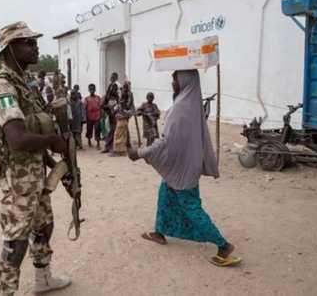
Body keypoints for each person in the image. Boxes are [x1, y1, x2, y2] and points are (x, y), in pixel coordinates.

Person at [0, 21, 71, 296]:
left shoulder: (25, 85)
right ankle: (5, 292)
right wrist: (53, 142)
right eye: (28, 43)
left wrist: (52, 161)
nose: (35, 47)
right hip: (19, 178)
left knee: (44, 225)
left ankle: (43, 279)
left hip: (34, 174)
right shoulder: (3, 87)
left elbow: (33, 128)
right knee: (16, 238)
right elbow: (17, 138)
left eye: (35, 42)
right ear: (10, 49)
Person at [127, 70, 241, 267]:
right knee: (165, 195)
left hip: (182, 168)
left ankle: (223, 246)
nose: (172, 83)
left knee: (191, 207)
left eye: (175, 79)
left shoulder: (180, 108)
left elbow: (167, 143)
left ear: (185, 81)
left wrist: (141, 153)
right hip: (186, 164)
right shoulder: (193, 104)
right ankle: (159, 232)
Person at [112, 81, 133, 156]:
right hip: (122, 117)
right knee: (122, 134)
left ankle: (119, 151)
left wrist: (120, 113)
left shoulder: (125, 99)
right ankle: (122, 150)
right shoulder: (124, 98)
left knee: (119, 134)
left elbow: (126, 108)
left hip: (122, 118)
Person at [101, 73, 120, 153]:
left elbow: (118, 101)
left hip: (115, 113)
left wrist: (112, 108)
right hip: (109, 113)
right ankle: (108, 146)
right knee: (109, 129)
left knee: (113, 129)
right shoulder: (110, 86)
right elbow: (105, 100)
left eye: (113, 77)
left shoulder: (117, 86)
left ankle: (111, 147)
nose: (111, 78)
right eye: (111, 77)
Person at [83, 84, 102, 149]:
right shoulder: (86, 99)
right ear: (89, 90)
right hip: (89, 116)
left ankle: (98, 143)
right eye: (90, 89)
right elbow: (84, 108)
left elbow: (100, 106)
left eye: (93, 89)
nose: (92, 90)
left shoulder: (98, 98)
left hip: (97, 116)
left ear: (95, 90)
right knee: (89, 129)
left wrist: (101, 115)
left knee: (97, 129)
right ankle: (89, 141)